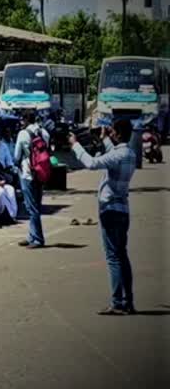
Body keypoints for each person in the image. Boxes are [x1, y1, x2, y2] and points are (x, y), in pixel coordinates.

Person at [70, 121, 137, 315]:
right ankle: (128, 300)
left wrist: (75, 145)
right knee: (122, 255)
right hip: (123, 209)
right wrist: (105, 139)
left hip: (110, 209)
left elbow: (92, 163)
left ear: (117, 134)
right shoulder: (130, 154)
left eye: (113, 132)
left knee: (113, 257)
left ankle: (117, 302)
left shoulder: (118, 155)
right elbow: (114, 156)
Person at [15, 112, 50, 248]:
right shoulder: (44, 132)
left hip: (28, 173)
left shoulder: (22, 134)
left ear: (25, 120)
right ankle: (31, 235)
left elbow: (16, 156)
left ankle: (37, 238)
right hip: (41, 172)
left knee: (31, 207)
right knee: (36, 205)